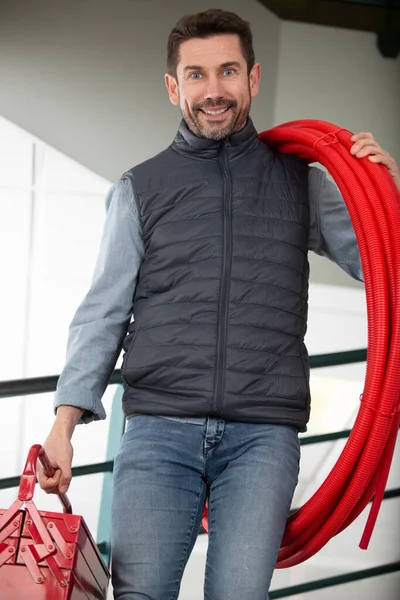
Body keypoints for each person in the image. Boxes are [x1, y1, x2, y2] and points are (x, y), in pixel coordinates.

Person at [38, 8, 400, 600]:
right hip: (158, 431)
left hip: (263, 438)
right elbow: (102, 315)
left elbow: (384, 265)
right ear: (173, 87)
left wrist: (386, 192)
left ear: (252, 78)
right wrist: (64, 425)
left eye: (228, 71)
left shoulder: (300, 182)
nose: (214, 91)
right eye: (197, 75)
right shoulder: (139, 190)